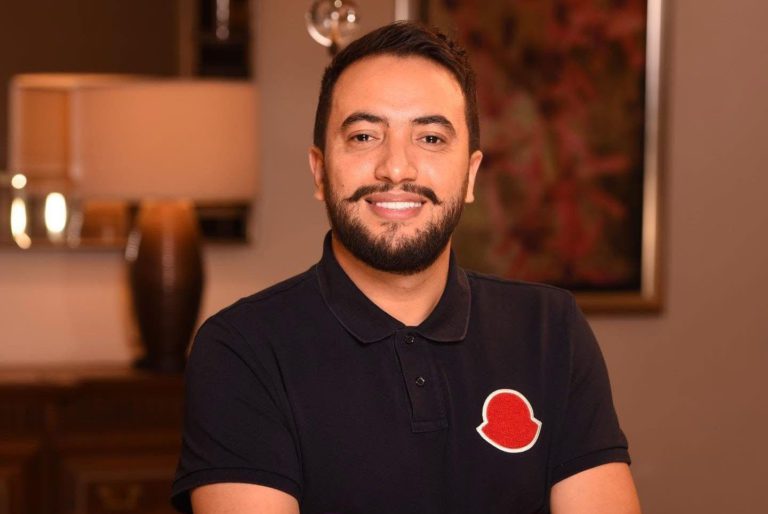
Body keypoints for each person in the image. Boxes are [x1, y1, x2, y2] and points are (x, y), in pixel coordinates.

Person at [171, 21, 641, 514]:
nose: (396, 168)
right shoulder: (242, 349)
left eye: (431, 138)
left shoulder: (551, 330)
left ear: (470, 175)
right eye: (364, 136)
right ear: (320, 171)